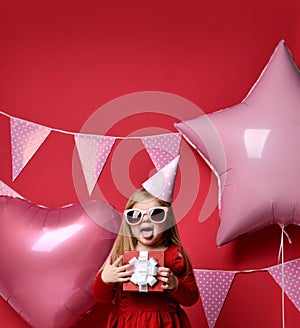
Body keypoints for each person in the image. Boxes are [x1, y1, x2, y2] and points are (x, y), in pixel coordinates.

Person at [92, 187, 199, 328]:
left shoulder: (176, 255)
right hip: (127, 324)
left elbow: (191, 298)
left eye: (156, 214)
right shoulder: (120, 254)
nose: (146, 221)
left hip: (166, 324)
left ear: (168, 220)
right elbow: (100, 296)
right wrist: (105, 279)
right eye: (136, 216)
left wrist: (175, 284)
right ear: (129, 222)